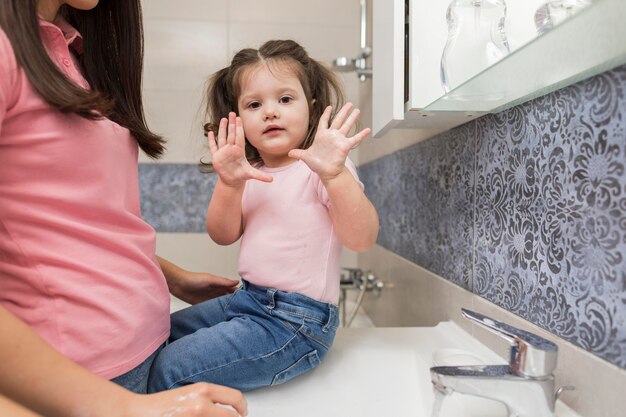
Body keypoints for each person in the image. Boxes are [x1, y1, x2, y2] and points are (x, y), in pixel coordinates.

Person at [0, 1, 247, 416]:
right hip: (80, 383)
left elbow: (71, 219)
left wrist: (167, 275)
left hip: (136, 359)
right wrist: (123, 409)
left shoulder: (71, 49)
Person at [147, 39, 380, 393]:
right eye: (255, 104)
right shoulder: (247, 170)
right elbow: (223, 234)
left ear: (311, 106)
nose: (270, 111)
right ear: (238, 119)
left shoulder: (322, 167)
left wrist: (335, 176)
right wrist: (229, 182)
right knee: (154, 336)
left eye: (285, 99)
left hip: (294, 323)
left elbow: (361, 239)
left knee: (170, 368)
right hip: (248, 300)